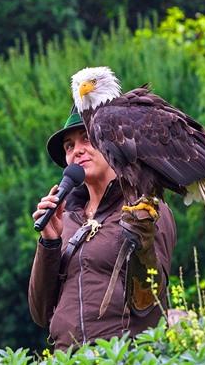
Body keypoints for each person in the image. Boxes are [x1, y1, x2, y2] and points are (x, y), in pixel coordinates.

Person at [28, 110, 177, 351]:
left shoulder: (144, 209)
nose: (76, 150)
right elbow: (40, 312)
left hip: (123, 364)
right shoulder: (66, 220)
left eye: (87, 138)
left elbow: (149, 300)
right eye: (69, 146)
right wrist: (50, 243)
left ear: (113, 142)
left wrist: (143, 242)